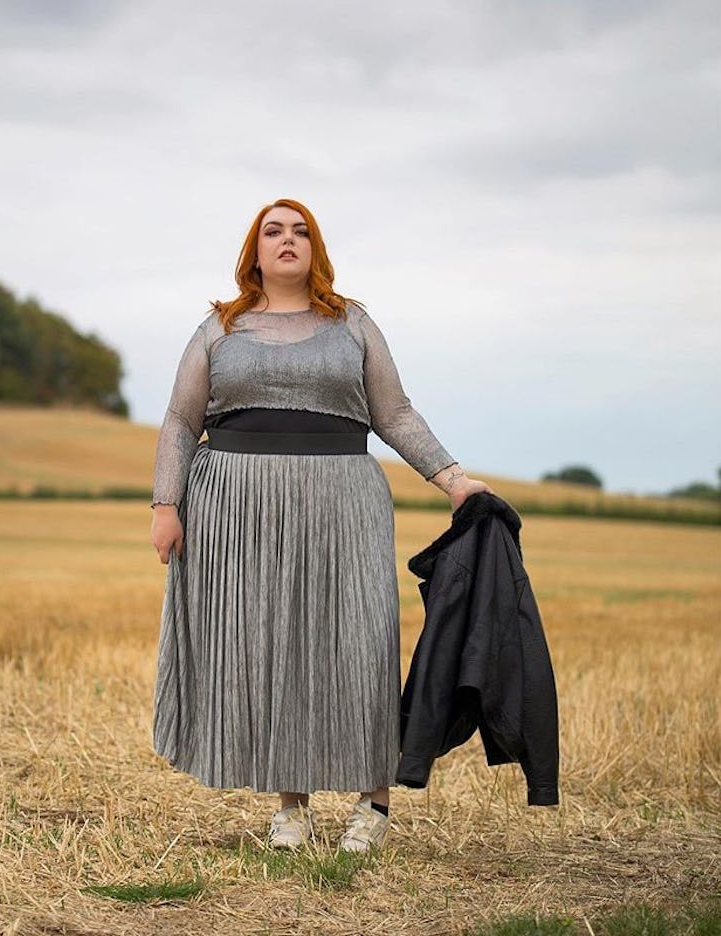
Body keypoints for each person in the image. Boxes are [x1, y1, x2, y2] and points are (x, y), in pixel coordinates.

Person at [149, 197, 492, 852]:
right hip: (237, 510)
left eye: (300, 231)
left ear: (316, 249)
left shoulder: (353, 322)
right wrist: (166, 504)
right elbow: (178, 420)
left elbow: (394, 413)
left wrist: (452, 478)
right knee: (273, 649)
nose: (287, 240)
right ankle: (291, 809)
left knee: (361, 643)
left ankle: (375, 802)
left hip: (344, 503)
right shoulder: (219, 327)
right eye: (273, 231)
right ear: (254, 249)